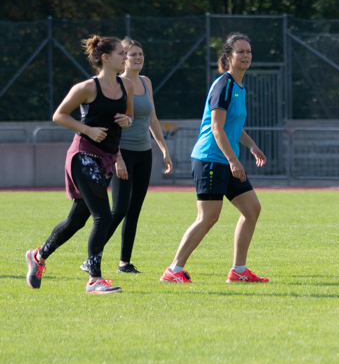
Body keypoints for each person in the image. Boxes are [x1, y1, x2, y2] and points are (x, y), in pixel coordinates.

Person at [25, 35, 135, 294]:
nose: (126, 57)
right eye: (121, 53)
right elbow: (59, 115)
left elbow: (129, 116)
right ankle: (94, 280)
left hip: (106, 159)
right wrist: (88, 129)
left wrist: (127, 121)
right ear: (106, 58)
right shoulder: (86, 88)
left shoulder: (127, 85)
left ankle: (38, 256)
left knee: (76, 220)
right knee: (103, 216)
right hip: (83, 155)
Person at [161, 33, 269, 284]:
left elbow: (233, 126)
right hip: (210, 159)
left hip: (226, 159)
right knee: (208, 217)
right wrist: (234, 160)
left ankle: (239, 270)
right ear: (228, 56)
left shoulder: (239, 86)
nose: (246, 55)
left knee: (252, 209)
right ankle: (174, 270)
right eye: (240, 51)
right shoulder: (224, 85)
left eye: (249, 51)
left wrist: (252, 146)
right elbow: (217, 128)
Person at [95, 37, 174, 274]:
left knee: (134, 209)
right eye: (133, 54)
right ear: (124, 58)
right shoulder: (117, 85)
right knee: (119, 209)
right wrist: (117, 157)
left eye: (141, 54)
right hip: (122, 153)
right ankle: (93, 254)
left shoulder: (146, 82)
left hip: (144, 152)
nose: (138, 58)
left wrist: (164, 149)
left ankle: (124, 262)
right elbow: (113, 125)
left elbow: (152, 119)